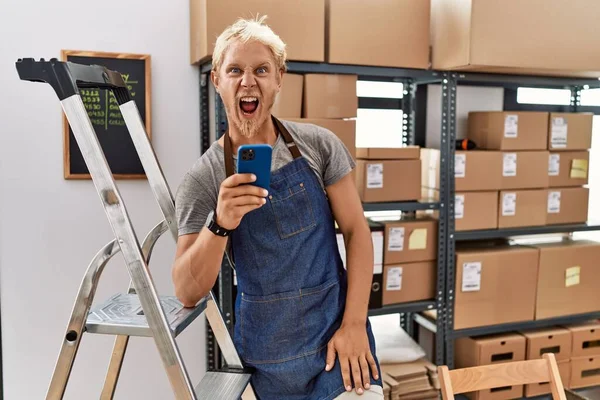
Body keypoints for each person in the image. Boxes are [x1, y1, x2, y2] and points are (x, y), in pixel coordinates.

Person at [172, 16, 384, 400]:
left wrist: (355, 324)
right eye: (235, 69)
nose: (248, 81)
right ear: (216, 79)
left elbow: (356, 232)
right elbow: (187, 291)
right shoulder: (203, 179)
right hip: (263, 363)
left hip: (338, 350)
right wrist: (219, 224)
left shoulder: (319, 146)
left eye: (261, 70)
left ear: (279, 79)